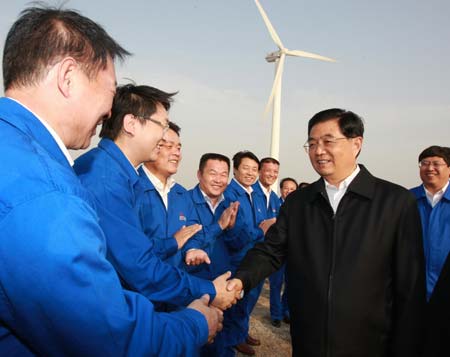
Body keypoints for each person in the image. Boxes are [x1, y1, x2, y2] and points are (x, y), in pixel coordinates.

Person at [0, 6, 222, 356]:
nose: (109, 110)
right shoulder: (48, 195)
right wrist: (195, 322)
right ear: (68, 77)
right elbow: (106, 337)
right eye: (109, 89)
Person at [228, 108, 425, 356]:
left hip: (371, 343)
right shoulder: (299, 202)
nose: (318, 150)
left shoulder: (395, 202)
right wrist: (240, 280)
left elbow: (409, 285)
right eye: (311, 143)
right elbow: (271, 251)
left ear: (356, 144)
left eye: (328, 141)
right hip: (309, 339)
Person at [74, 84, 238, 312]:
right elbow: (139, 266)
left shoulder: (116, 174)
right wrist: (210, 290)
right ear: (131, 124)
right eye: (162, 125)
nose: (163, 136)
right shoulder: (105, 180)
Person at [139, 122, 212, 271]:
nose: (177, 153)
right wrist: (172, 243)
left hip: (173, 285)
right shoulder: (133, 188)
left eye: (178, 148)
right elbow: (132, 249)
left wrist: (192, 250)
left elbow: (192, 231)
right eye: (169, 146)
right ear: (151, 146)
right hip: (137, 288)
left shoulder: (182, 194)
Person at [189, 153, 241, 356]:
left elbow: (239, 243)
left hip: (224, 285)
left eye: (223, 174)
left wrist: (232, 228)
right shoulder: (184, 201)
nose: (219, 180)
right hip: (196, 287)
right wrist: (219, 225)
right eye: (213, 173)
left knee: (222, 341)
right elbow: (188, 243)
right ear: (199, 175)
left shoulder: (231, 204)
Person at [221, 151, 273, 356]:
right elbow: (239, 232)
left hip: (256, 258)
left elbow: (265, 222)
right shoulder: (231, 193)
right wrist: (262, 229)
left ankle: (241, 333)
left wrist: (263, 228)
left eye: (254, 169)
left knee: (249, 301)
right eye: (246, 168)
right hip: (238, 260)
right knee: (236, 304)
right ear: (235, 169)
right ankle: (232, 339)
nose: (251, 173)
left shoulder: (256, 194)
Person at [410, 145, 450, 300]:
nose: (430, 168)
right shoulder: (406, 200)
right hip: (413, 291)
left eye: (436, 164)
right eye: (425, 163)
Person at [251, 158, 286, 328]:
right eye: (268, 170)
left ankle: (242, 333)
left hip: (266, 253)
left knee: (254, 296)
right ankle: (236, 337)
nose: (272, 175)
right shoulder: (251, 193)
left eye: (275, 172)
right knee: (245, 297)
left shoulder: (273, 197)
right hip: (250, 252)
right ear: (259, 171)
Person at [268, 176, 299, 327]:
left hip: (293, 253)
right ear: (281, 189)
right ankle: (276, 314)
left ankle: (286, 310)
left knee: (290, 283)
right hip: (277, 252)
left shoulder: (299, 207)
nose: (289, 191)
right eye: (286, 188)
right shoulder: (273, 203)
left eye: (292, 189)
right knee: (276, 283)